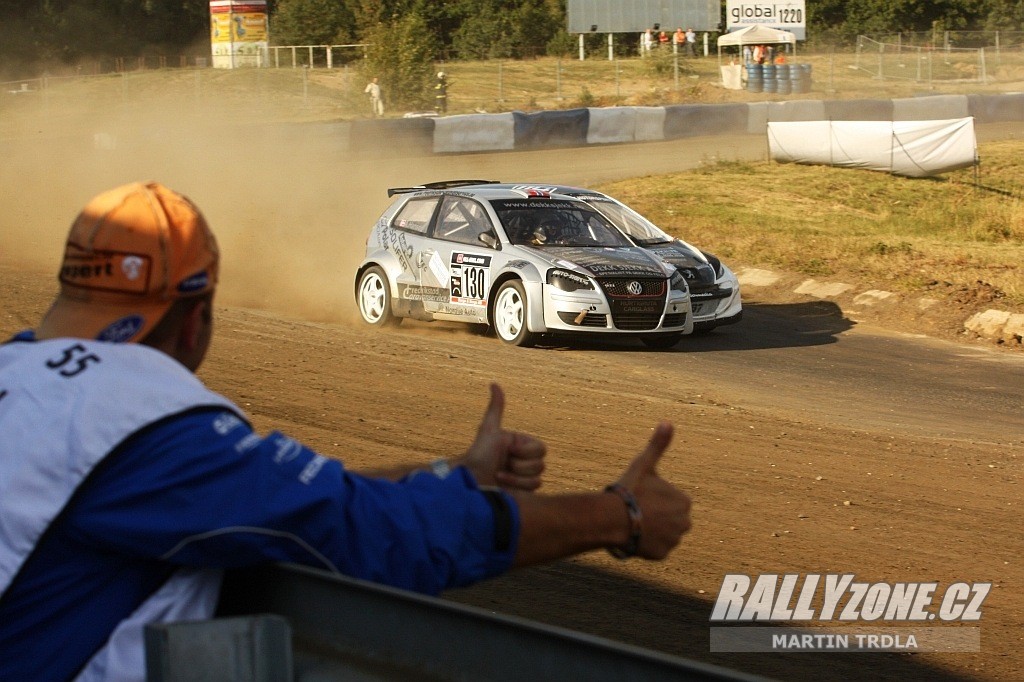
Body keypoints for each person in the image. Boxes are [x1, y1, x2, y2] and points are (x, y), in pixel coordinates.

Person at [0, 181, 692, 680]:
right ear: (196, 316)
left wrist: (455, 476)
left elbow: (277, 502)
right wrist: (618, 514)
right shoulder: (137, 422)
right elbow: (368, 531)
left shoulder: (23, 377)